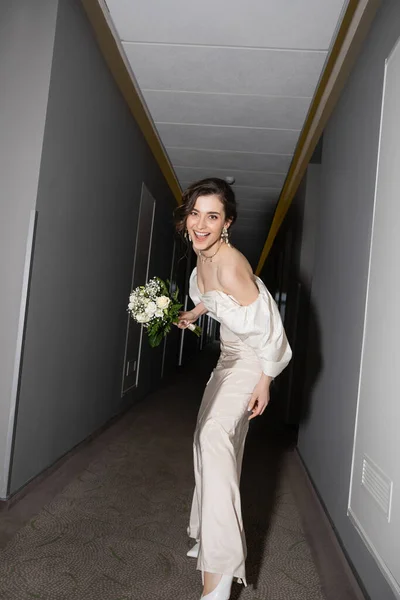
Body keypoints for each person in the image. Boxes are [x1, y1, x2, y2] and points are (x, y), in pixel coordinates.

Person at [174, 178, 292, 600]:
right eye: (195, 213)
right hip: (227, 360)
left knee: (214, 437)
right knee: (205, 440)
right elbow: (216, 297)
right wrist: (194, 312)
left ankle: (221, 574)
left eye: (213, 216)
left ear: (227, 224)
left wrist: (265, 380)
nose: (201, 224)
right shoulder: (203, 257)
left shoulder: (230, 263)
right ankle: (208, 534)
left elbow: (269, 328)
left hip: (249, 362)